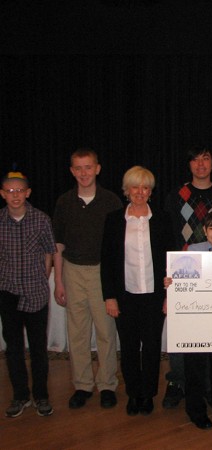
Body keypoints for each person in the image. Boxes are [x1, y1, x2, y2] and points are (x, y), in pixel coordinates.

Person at [101, 166, 173, 416]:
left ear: (150, 191)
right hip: (125, 296)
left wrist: (168, 297)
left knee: (152, 348)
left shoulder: (163, 219)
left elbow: (170, 261)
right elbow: (107, 262)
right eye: (135, 187)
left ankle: (149, 395)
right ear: (127, 190)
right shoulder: (113, 220)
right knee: (129, 348)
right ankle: (134, 394)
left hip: (154, 297)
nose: (140, 192)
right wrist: (109, 296)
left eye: (145, 187)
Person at [53, 148, 122, 409]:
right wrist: (58, 280)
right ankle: (82, 384)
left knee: (105, 330)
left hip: (101, 272)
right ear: (72, 171)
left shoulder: (111, 201)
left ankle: (107, 384)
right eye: (78, 168)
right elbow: (58, 244)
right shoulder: (64, 202)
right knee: (78, 332)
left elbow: (117, 246)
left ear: (97, 169)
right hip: (72, 270)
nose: (84, 173)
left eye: (88, 167)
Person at [162, 145, 212, 409]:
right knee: (181, 328)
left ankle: (209, 385)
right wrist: (171, 272)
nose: (201, 165)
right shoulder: (177, 195)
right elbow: (170, 235)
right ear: (189, 165)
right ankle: (177, 381)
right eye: (195, 160)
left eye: (206, 159)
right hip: (185, 267)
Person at [164, 209, 212, 430]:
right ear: (204, 230)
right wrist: (171, 284)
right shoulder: (193, 251)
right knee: (194, 366)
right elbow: (181, 283)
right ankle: (195, 410)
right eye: (211, 228)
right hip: (195, 322)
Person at [1, 171, 56, 418]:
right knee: (13, 348)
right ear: (3, 194)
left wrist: (42, 277)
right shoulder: (0, 221)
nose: (15, 195)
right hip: (8, 293)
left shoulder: (41, 220)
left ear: (28, 193)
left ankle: (41, 396)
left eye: (20, 191)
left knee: (38, 349)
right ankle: (20, 395)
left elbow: (49, 252)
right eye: (10, 191)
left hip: (35, 292)